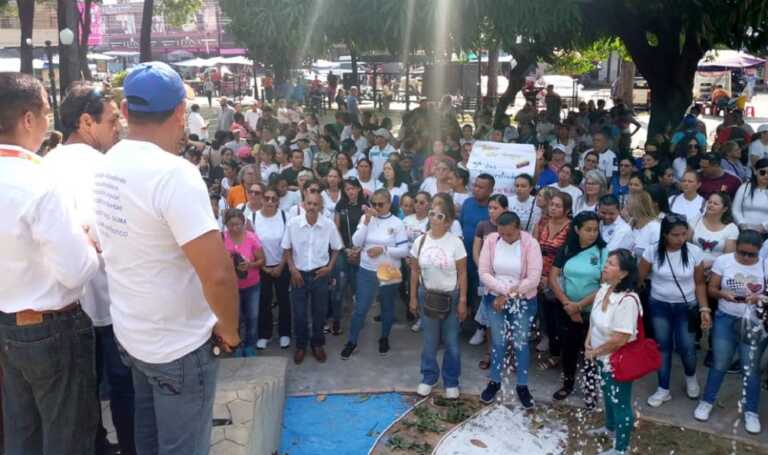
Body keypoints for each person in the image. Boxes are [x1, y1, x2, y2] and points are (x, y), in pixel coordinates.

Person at [93, 62, 240, 454]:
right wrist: (229, 330)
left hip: (135, 338)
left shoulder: (106, 164)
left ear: (125, 112)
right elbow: (219, 275)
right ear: (179, 113)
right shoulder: (174, 175)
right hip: (178, 347)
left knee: (149, 444)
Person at [0, 73, 100, 454]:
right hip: (53, 327)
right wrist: (88, 244)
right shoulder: (38, 179)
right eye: (45, 112)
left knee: (22, 434)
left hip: (8, 324)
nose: (48, 122)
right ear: (27, 119)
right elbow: (77, 270)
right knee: (68, 437)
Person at [43, 81, 135, 455]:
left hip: (63, 306)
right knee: (125, 391)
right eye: (112, 120)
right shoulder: (108, 168)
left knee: (81, 398)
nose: (118, 127)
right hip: (111, 305)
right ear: (86, 122)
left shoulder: (43, 167)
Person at [695, 230, 767, 435]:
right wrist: (722, 294)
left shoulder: (765, 264)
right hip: (726, 318)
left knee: (751, 368)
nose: (746, 258)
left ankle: (751, 411)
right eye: (742, 252)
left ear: (759, 251)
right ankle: (707, 401)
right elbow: (711, 288)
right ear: (736, 247)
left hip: (754, 322)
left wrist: (759, 298)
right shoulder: (724, 261)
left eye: (751, 254)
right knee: (719, 362)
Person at [638, 214, 708, 408]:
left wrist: (704, 308)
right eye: (675, 235)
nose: (680, 239)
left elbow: (700, 283)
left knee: (687, 347)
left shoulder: (694, 252)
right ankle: (663, 388)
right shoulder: (652, 252)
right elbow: (640, 278)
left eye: (684, 234)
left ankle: (690, 376)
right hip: (659, 305)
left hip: (686, 306)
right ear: (665, 234)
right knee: (663, 346)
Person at [477, 212, 543, 407]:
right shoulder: (491, 241)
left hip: (522, 300)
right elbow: (484, 272)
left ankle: (522, 385)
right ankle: (494, 381)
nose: (505, 237)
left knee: (520, 343)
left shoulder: (531, 244)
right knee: (498, 342)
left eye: (510, 234)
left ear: (518, 229)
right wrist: (503, 291)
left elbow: (533, 278)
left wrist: (508, 295)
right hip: (495, 298)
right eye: (502, 233)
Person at [409, 195, 468, 399]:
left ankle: (451, 380)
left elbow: (462, 273)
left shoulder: (456, 243)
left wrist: (462, 301)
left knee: (451, 341)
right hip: (427, 294)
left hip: (451, 296)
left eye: (439, 215)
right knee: (429, 341)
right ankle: (428, 377)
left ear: (449, 221)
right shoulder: (420, 241)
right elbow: (414, 271)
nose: (434, 218)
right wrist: (413, 297)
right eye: (432, 213)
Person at [584, 249, 642, 455]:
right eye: (606, 262)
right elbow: (593, 320)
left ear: (624, 273)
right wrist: (588, 343)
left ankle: (621, 448)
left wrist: (596, 351)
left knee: (620, 402)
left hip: (617, 360)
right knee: (608, 395)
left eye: (610, 264)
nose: (605, 266)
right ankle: (609, 428)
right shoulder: (604, 289)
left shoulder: (628, 301)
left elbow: (620, 339)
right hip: (600, 355)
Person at [549, 211, 608, 407]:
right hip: (566, 308)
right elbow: (553, 277)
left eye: (595, 230)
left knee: (590, 349)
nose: (592, 234)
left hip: (592, 310)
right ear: (577, 229)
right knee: (569, 348)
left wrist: (579, 306)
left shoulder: (602, 251)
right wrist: (568, 304)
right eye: (588, 230)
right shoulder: (567, 249)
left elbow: (604, 285)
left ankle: (591, 389)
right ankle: (567, 384)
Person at [342, 189, 409, 359]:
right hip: (367, 269)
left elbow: (404, 250)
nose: (377, 207)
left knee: (387, 308)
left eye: (381, 204)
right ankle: (352, 341)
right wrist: (366, 222)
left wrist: (383, 249)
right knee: (360, 308)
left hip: (390, 269)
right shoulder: (366, 219)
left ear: (388, 204)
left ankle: (384, 338)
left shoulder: (397, 223)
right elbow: (356, 242)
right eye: (374, 204)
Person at [281, 192, 343, 364]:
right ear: (303, 204)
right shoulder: (293, 224)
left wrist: (329, 268)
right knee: (299, 314)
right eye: (309, 203)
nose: (311, 207)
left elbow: (337, 247)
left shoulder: (328, 225)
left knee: (319, 313)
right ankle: (301, 346)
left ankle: (317, 344)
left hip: (319, 275)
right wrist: (292, 269)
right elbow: (286, 248)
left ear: (320, 207)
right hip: (298, 275)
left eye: (315, 204)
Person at [534, 191, 573, 367]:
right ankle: (552, 348)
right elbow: (533, 248)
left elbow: (570, 255)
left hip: (559, 279)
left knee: (560, 318)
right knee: (546, 316)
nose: (554, 208)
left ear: (566, 209)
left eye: (558, 206)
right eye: (552, 205)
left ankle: (562, 355)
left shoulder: (571, 228)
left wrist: (551, 277)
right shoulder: (542, 223)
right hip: (540, 277)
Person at [222, 209, 265, 357]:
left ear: (243, 223)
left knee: (252, 317)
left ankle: (250, 345)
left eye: (238, 224)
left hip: (252, 284)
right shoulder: (222, 239)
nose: (235, 228)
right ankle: (237, 345)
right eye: (231, 225)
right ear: (226, 224)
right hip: (231, 287)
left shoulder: (251, 238)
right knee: (236, 318)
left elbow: (262, 260)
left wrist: (250, 265)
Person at [254, 186, 292, 350]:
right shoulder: (253, 217)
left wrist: (281, 265)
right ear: (262, 199)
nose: (270, 201)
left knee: (284, 301)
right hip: (261, 267)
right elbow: (252, 245)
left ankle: (285, 333)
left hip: (281, 266)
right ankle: (264, 334)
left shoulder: (285, 216)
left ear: (278, 202)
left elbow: (288, 244)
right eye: (267, 198)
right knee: (264, 302)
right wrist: (263, 267)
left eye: (274, 199)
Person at [732, 158, 768, 232]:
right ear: (755, 171)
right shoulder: (744, 187)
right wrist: (741, 223)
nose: (766, 176)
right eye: (762, 172)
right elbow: (735, 209)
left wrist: (764, 226)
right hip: (743, 231)